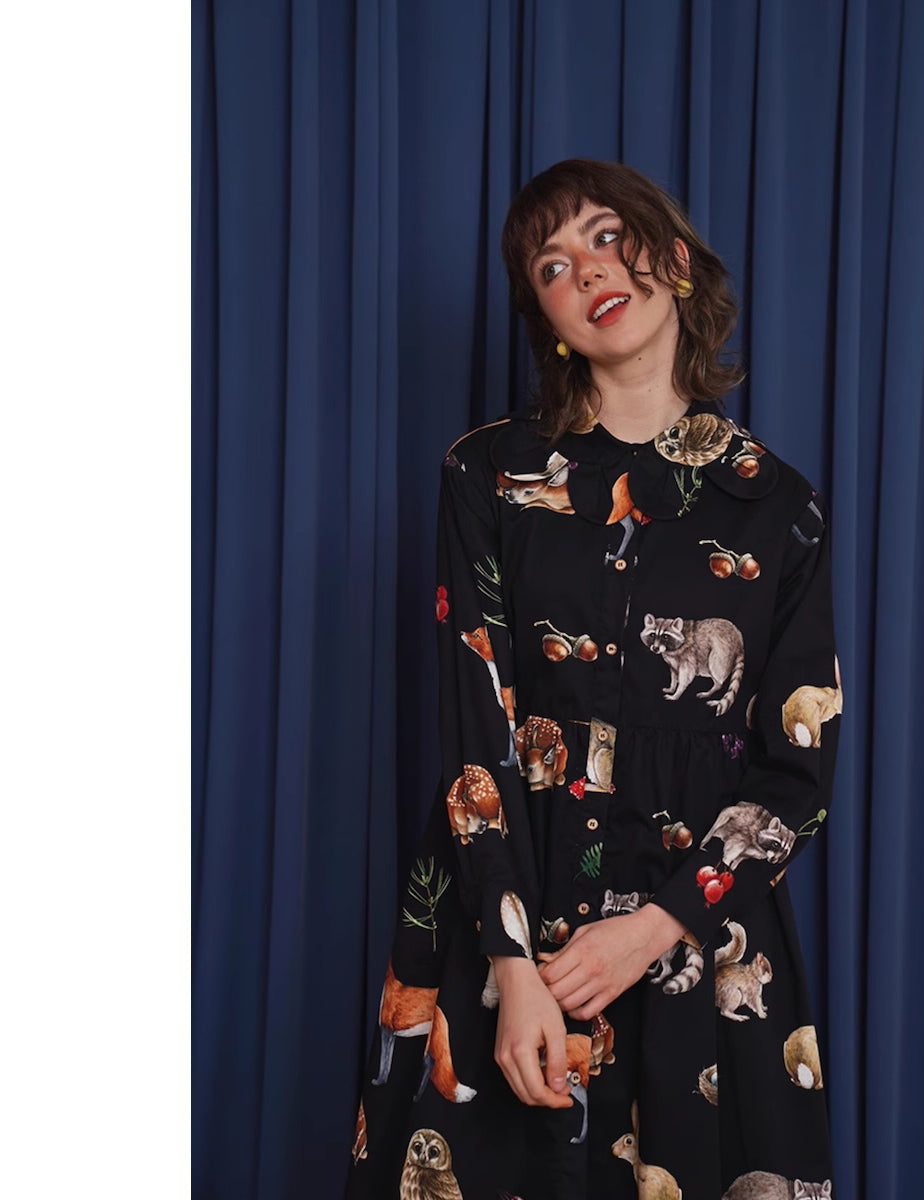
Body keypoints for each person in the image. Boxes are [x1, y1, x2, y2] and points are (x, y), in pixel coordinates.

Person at [347, 159, 841, 1200]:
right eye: (553, 265)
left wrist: (653, 930)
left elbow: (797, 779)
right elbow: (477, 732)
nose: (588, 271)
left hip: (695, 943)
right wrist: (513, 968)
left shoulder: (779, 507)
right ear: (550, 320)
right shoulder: (487, 476)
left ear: (674, 260)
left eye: (608, 237)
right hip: (509, 924)